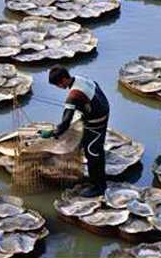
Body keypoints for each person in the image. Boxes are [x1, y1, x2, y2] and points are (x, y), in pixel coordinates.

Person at [39, 66, 110, 197]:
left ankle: (99, 187)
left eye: (58, 84)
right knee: (95, 149)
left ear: (64, 79)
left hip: (96, 123)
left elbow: (65, 122)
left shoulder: (73, 95)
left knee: (92, 153)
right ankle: (98, 180)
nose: (59, 87)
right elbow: (96, 89)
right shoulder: (81, 79)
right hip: (104, 112)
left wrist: (53, 133)